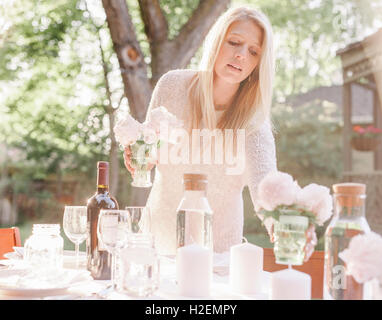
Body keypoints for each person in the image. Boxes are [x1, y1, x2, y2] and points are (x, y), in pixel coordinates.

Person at [124, 6, 317, 259]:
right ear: (216, 42)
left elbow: (266, 187)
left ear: (259, 63)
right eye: (234, 42)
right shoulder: (171, 87)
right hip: (156, 249)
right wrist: (139, 158)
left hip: (218, 259)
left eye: (253, 51)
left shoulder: (255, 124)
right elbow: (150, 150)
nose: (241, 55)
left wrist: (286, 221)